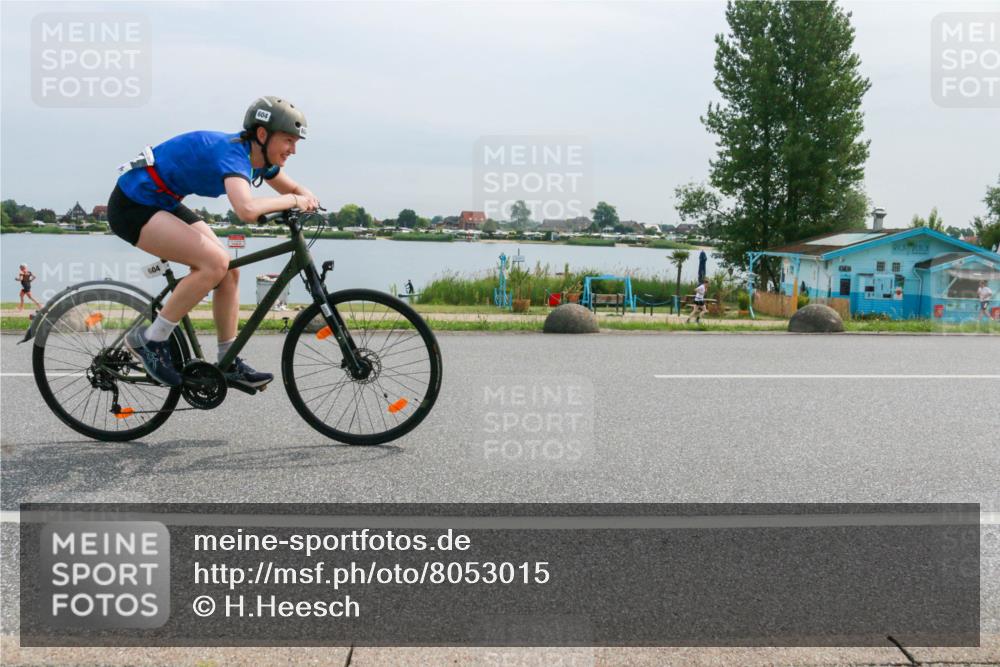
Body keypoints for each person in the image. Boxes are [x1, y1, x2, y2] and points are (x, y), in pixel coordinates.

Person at [107, 96, 319, 387]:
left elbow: (293, 187)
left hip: (163, 200)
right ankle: (151, 341)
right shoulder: (234, 156)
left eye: (296, 142)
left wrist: (309, 199)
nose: (293, 150)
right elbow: (246, 210)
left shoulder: (260, 159)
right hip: (134, 204)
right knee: (213, 263)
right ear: (262, 134)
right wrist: (294, 200)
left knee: (228, 269)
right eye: (288, 140)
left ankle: (227, 359)